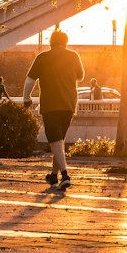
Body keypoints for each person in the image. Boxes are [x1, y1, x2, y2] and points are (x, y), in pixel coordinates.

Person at [23, 30, 84, 189]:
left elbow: (30, 80)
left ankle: (65, 175)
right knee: (59, 142)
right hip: (69, 104)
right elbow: (80, 76)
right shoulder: (74, 56)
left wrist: (26, 98)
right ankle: (53, 176)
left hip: (50, 105)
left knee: (55, 141)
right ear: (66, 41)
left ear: (51, 42)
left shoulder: (42, 57)